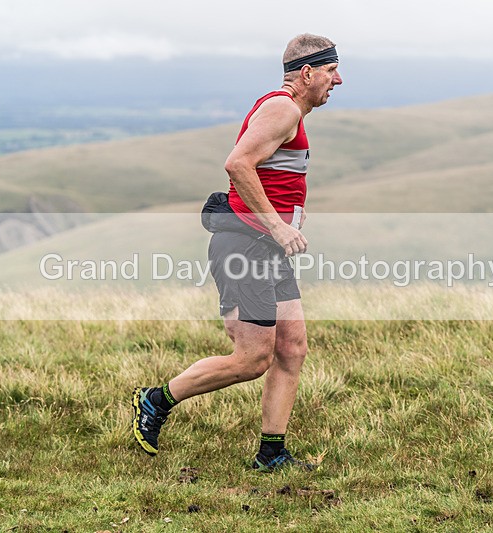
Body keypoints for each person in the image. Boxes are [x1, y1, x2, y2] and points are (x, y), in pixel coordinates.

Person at [132, 33, 342, 471]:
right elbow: (237, 164)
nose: (337, 80)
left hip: (266, 246)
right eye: (329, 71)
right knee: (252, 359)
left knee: (293, 349)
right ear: (307, 73)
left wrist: (288, 221)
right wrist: (278, 226)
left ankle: (271, 454)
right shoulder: (282, 107)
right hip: (247, 244)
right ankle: (155, 400)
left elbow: (268, 174)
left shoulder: (291, 112)